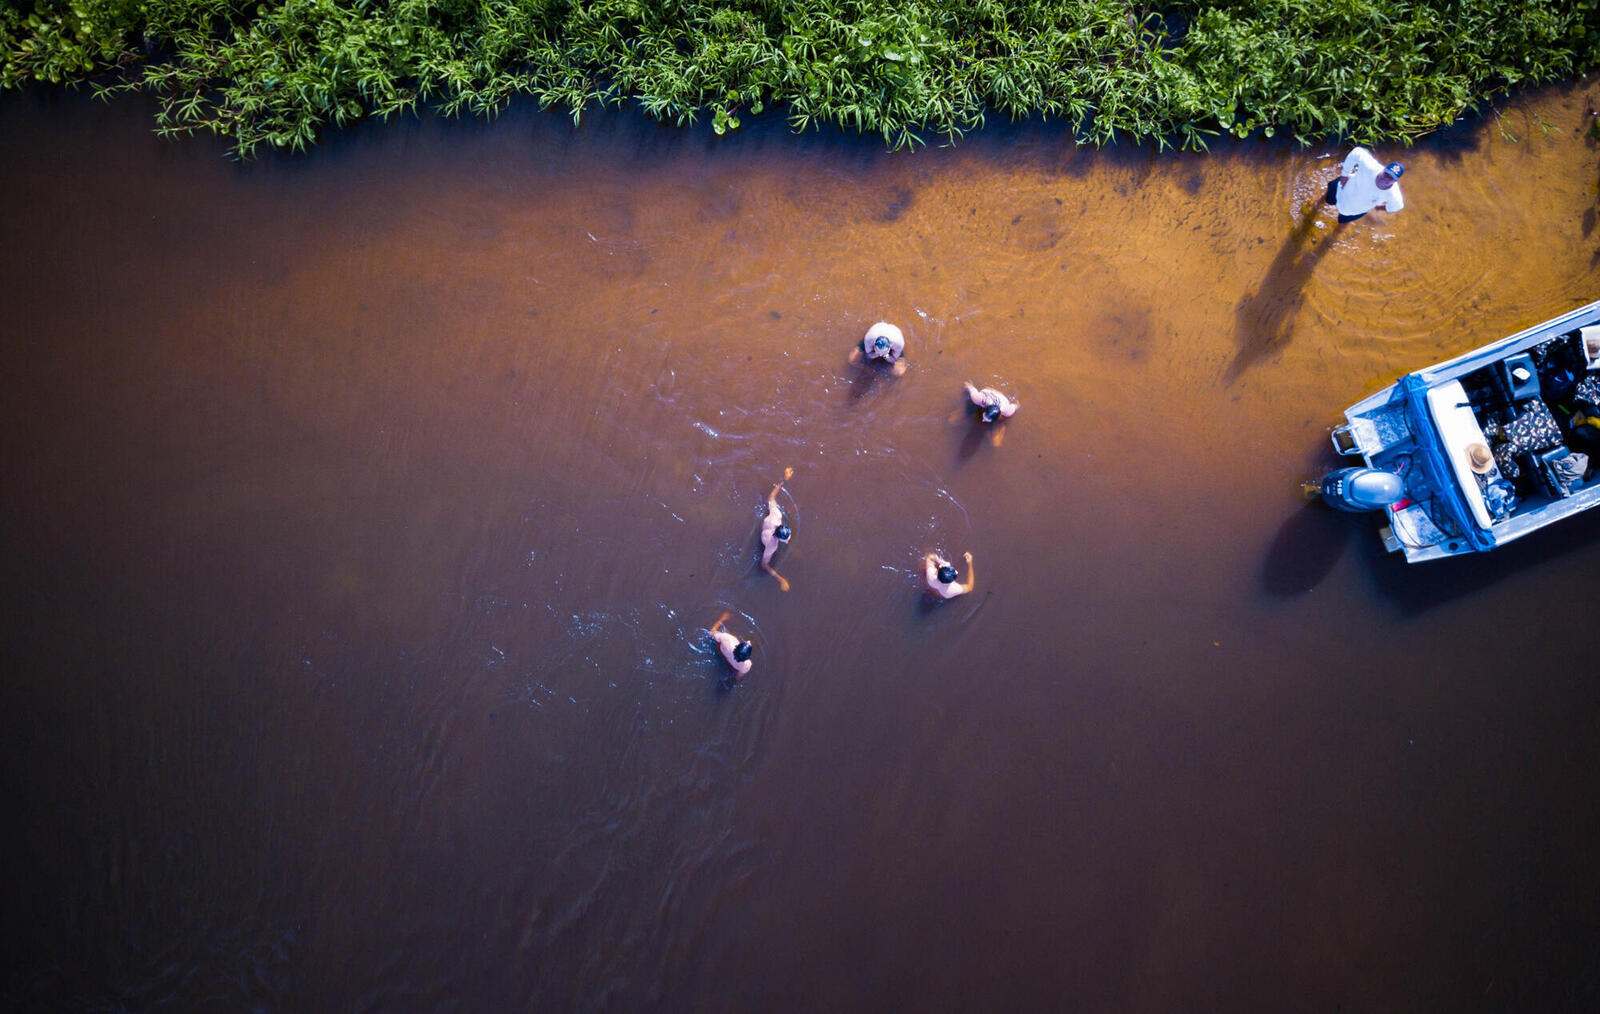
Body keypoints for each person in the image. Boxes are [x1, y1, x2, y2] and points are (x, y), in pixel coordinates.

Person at [1324, 148, 1404, 223]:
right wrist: (1345, 176)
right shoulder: (1371, 166)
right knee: (1326, 199)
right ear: (1383, 169)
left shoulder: (1393, 194)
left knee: (1342, 222)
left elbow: (1397, 206)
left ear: (1395, 181)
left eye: (1391, 178)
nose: (1386, 178)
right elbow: (1357, 152)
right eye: (1386, 174)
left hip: (1353, 211)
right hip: (1340, 188)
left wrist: (1378, 207)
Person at [760, 467, 794, 592]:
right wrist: (781, 579)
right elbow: (764, 564)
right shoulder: (772, 546)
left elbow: (771, 497)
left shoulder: (776, 516)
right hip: (764, 538)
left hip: (766, 526)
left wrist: (784, 479)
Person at [708, 612, 753, 680]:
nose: (749, 641)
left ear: (737, 647)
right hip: (731, 665)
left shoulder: (728, 640)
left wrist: (722, 619)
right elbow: (738, 677)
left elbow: (711, 633)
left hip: (722, 653)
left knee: (718, 641)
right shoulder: (746, 666)